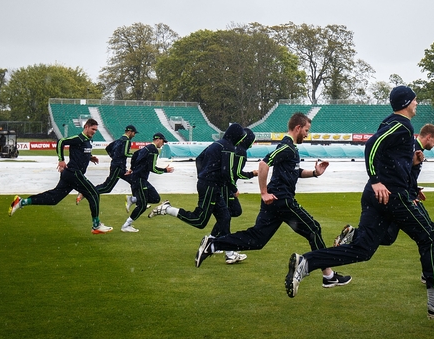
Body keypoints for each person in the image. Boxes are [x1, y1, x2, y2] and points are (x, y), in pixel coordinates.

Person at [283, 87, 434, 319]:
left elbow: (392, 161)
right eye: (415, 100)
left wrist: (413, 164)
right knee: (428, 235)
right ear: (406, 102)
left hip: (378, 195)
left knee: (365, 249)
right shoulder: (401, 124)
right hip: (392, 196)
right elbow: (371, 146)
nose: (417, 104)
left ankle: (306, 263)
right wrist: (377, 180)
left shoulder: (393, 123)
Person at [194, 113, 351, 289]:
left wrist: (314, 173)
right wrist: (263, 192)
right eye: (306, 130)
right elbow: (264, 164)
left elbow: (294, 172)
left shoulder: (291, 149)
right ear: (298, 128)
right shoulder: (286, 147)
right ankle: (328, 276)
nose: (307, 134)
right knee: (313, 229)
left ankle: (213, 244)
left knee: (257, 240)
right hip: (281, 200)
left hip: (275, 203)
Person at [332, 123, 434, 286]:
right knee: (429, 231)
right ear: (428, 137)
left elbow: (406, 176)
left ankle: (354, 234)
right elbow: (401, 173)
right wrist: (410, 193)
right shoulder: (412, 147)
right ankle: (431, 275)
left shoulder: (417, 150)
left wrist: (415, 189)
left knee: (388, 237)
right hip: (402, 200)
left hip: (403, 197)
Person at [148, 123, 248, 251]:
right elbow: (226, 172)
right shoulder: (228, 147)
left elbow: (199, 159)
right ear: (236, 136)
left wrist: (201, 175)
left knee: (225, 218)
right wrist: (233, 188)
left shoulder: (217, 144)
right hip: (210, 186)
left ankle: (229, 253)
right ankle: (167, 209)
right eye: (241, 137)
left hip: (210, 185)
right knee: (199, 220)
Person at [8, 118, 113, 234]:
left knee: (54, 199)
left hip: (70, 175)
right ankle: (96, 225)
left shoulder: (87, 140)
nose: (94, 132)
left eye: (96, 130)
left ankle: (22, 202)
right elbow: (61, 142)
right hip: (74, 173)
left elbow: (81, 152)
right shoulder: (79, 138)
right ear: (86, 127)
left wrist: (90, 157)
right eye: (93, 129)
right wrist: (61, 160)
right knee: (94, 193)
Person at [210, 127, 258, 264]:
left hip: (221, 185)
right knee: (229, 214)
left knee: (230, 213)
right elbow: (236, 173)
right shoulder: (241, 152)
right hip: (226, 187)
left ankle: (214, 239)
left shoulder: (231, 147)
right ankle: (224, 248)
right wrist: (252, 174)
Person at [121, 132, 174, 232]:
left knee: (155, 198)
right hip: (139, 180)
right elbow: (153, 168)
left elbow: (135, 155)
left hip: (139, 179)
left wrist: (131, 168)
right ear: (158, 139)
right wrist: (165, 170)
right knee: (142, 205)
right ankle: (126, 225)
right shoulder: (153, 150)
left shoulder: (146, 148)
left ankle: (132, 199)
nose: (163, 144)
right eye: (163, 142)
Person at [77, 124, 137, 204]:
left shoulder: (119, 140)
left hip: (119, 167)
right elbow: (125, 153)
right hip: (118, 168)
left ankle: (137, 200)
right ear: (130, 132)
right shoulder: (126, 141)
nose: (134, 135)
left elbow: (108, 148)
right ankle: (86, 192)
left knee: (135, 181)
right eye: (134, 133)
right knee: (107, 187)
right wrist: (136, 155)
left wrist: (114, 156)